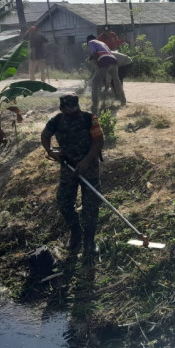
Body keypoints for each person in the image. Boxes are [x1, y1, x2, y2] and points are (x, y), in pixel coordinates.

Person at [42, 93, 104, 256]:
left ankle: (90, 241)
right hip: (68, 168)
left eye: (74, 108)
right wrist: (50, 151)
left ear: (78, 106)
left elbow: (99, 141)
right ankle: (76, 233)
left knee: (90, 206)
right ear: (62, 109)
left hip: (89, 167)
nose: (72, 111)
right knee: (64, 202)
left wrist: (86, 161)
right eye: (68, 109)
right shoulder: (56, 121)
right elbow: (45, 136)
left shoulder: (89, 119)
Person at [86, 35, 126, 114]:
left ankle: (94, 107)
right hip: (113, 60)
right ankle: (123, 102)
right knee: (117, 82)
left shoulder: (91, 42)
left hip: (105, 60)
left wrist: (97, 64)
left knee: (94, 82)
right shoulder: (102, 43)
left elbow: (94, 53)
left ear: (88, 41)